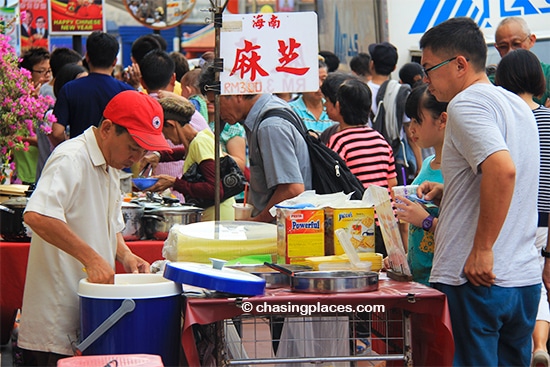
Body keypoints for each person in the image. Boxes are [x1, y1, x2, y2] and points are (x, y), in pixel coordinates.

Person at [419, 17, 541, 365]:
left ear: (460, 64)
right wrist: (450, 191)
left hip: (475, 277)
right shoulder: (516, 104)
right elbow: (503, 177)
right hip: (520, 277)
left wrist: (483, 248)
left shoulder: (465, 104)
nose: (426, 81)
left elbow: (502, 171)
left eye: (429, 68)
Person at [17, 90, 170, 366]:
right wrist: (91, 258)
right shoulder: (71, 157)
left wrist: (126, 255)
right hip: (56, 319)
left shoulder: (111, 165)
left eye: (143, 152)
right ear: (108, 129)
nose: (136, 159)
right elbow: (37, 215)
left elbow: (109, 224)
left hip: (90, 309)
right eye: (133, 148)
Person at [199, 64, 312, 223]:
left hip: (281, 231)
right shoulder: (268, 111)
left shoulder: (270, 126)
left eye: (214, 102)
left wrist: (257, 221)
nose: (216, 112)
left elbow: (292, 189)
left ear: (237, 93)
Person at [495, 48, 550, 367]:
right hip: (544, 219)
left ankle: (524, 346)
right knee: (539, 284)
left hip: (510, 217)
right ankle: (539, 344)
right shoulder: (546, 118)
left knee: (520, 283)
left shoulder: (504, 120)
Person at [321, 73, 397, 256]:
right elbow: (392, 185)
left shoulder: (339, 141)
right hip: (385, 223)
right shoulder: (380, 139)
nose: (325, 104)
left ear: (338, 106)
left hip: (357, 224)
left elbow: (335, 186)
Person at [147, 96, 235, 220]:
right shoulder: (198, 139)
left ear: (171, 125)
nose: (166, 138)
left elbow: (215, 190)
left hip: (216, 218)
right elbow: (189, 153)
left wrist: (175, 183)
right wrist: (160, 155)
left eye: (164, 131)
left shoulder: (200, 143)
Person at [394, 83, 447, 286]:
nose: (411, 129)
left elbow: (462, 232)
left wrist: (425, 221)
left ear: (442, 120)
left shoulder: (460, 172)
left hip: (440, 280)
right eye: (410, 121)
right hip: (418, 279)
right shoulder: (427, 163)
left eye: (418, 120)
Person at [51, 31, 134, 146]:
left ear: (88, 57)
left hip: (81, 159)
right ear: (115, 61)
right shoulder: (128, 92)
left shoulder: (69, 89)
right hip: (117, 161)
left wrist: (70, 150)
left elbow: (56, 132)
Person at [36, 64, 89, 181]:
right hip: (60, 174)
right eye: (80, 83)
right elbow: (57, 136)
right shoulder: (52, 115)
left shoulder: (81, 111)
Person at [493, 17, 550, 107]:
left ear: (531, 40)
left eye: (516, 44)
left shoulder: (548, 74)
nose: (510, 51)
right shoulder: (492, 83)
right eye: (503, 46)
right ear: (497, 48)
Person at [16, 47, 51, 185]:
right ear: (28, 73)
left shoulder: (48, 97)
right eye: (41, 71)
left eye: (49, 71)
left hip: (44, 170)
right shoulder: (19, 102)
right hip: (25, 173)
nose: (47, 76)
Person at [289, 59, 336, 134]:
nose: (320, 84)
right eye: (314, 80)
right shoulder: (290, 110)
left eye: (323, 79)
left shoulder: (334, 108)